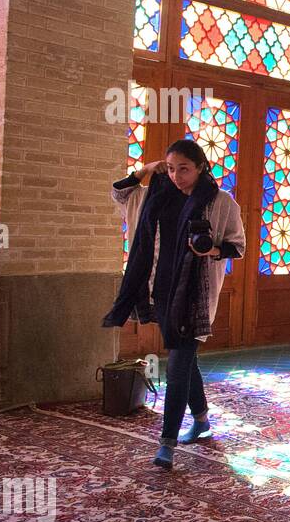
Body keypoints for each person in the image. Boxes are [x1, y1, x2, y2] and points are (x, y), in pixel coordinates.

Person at [103, 140, 246, 470]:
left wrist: (210, 251)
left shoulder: (221, 202)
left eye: (184, 168)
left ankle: (166, 442)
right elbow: (119, 195)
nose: (177, 175)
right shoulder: (154, 197)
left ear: (200, 167)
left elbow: (237, 246)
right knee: (184, 358)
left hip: (195, 297)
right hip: (161, 292)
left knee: (177, 365)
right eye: (170, 168)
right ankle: (202, 419)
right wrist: (144, 171)